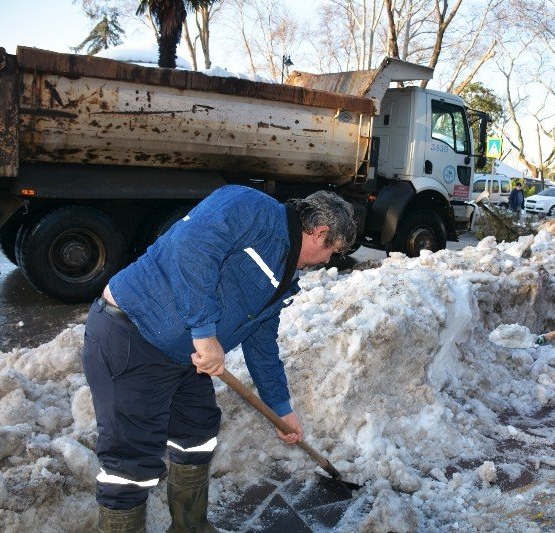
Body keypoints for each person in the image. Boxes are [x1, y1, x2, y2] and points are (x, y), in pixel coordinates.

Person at [82, 186, 356, 531]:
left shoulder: (286, 270)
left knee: (198, 434)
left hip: (184, 360)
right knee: (130, 466)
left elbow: (262, 342)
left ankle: (190, 527)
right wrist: (204, 332)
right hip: (133, 338)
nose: (328, 262)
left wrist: (281, 407)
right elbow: (192, 248)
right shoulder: (251, 207)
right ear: (320, 233)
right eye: (333, 252)